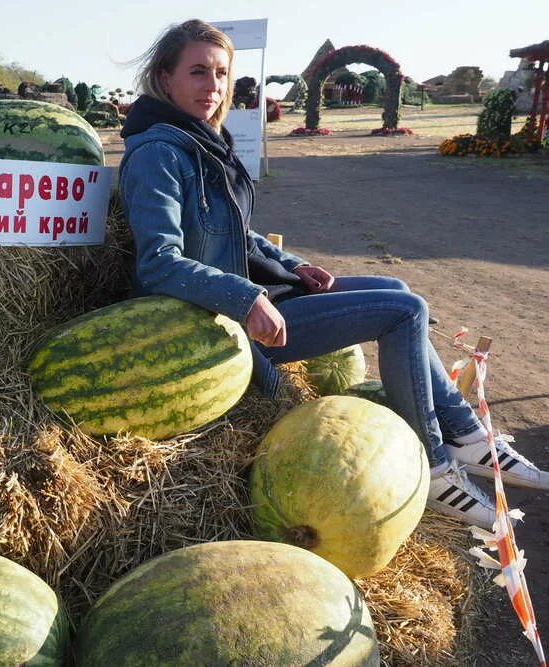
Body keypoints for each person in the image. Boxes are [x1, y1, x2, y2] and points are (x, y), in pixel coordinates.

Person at [119, 19, 547, 526]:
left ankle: (469, 437)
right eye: (197, 73)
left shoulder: (202, 140)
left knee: (396, 288)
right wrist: (244, 298)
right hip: (220, 323)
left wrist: (294, 266)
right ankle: (436, 465)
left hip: (253, 293)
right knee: (402, 312)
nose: (212, 87)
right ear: (165, 79)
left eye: (220, 74)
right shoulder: (159, 153)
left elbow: (233, 232)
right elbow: (158, 262)